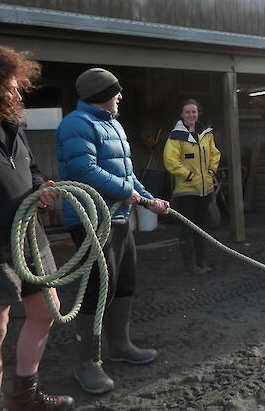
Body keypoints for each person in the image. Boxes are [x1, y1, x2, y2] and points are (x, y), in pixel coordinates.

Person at [55, 67, 170, 394]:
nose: (120, 96)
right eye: (116, 91)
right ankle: (86, 363)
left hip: (118, 215)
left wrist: (149, 200)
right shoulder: (76, 124)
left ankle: (120, 345)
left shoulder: (112, 124)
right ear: (101, 94)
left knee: (124, 281)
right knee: (96, 288)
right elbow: (83, 169)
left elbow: (127, 174)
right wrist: (125, 191)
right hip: (91, 218)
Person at [0, 47, 74, 410]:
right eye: (8, 88)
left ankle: (23, 396)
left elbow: (34, 171)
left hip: (29, 237)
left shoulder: (14, 127)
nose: (16, 95)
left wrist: (41, 189)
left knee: (45, 311)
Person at [163, 99, 221, 275]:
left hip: (205, 190)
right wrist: (187, 175)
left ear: (198, 114)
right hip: (186, 191)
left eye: (194, 112)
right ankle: (190, 263)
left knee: (201, 227)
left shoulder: (206, 134)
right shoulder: (176, 136)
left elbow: (214, 154)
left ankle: (201, 260)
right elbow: (170, 160)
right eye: (187, 112)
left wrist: (211, 171)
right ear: (182, 115)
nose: (191, 115)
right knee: (188, 228)